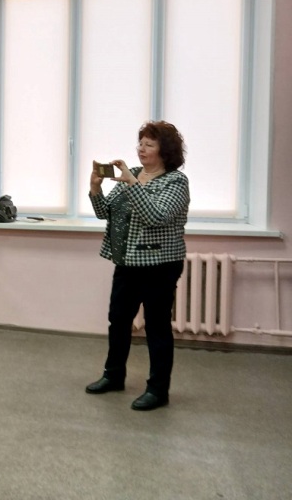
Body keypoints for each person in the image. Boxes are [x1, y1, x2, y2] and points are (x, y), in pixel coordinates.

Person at [85, 121, 190, 411]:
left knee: (157, 327)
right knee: (118, 320)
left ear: (164, 151)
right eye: (140, 143)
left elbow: (156, 216)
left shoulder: (175, 182)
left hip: (160, 265)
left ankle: (158, 390)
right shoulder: (132, 174)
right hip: (127, 262)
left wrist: (133, 184)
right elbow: (105, 213)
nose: (141, 149)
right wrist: (95, 188)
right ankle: (113, 376)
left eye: (149, 144)